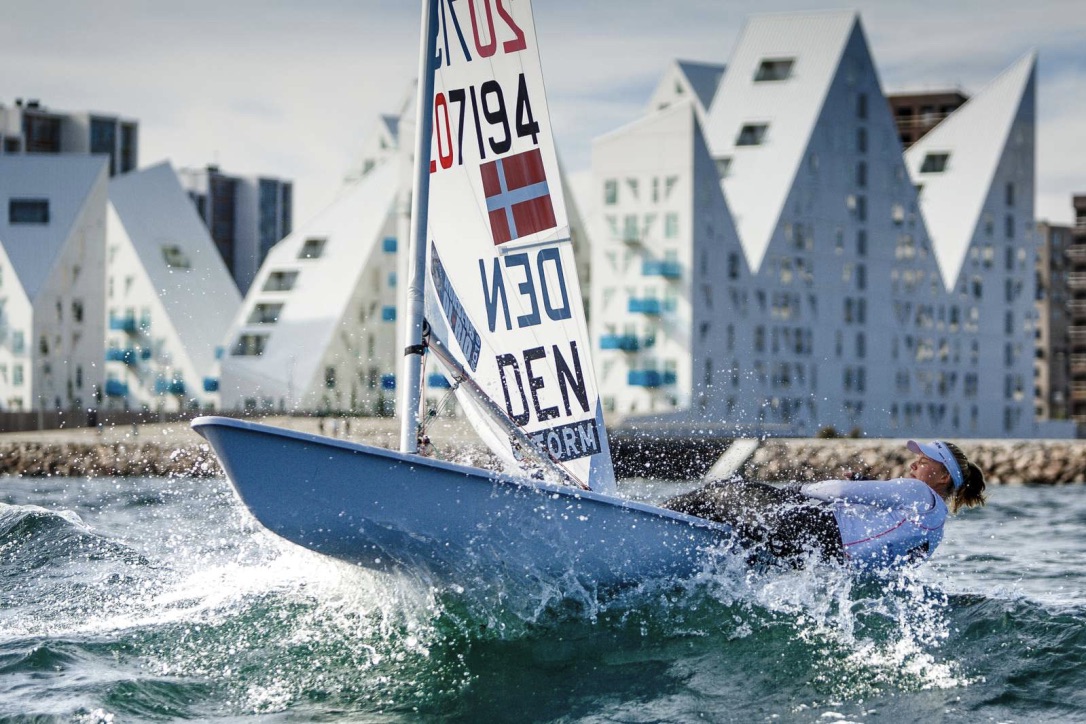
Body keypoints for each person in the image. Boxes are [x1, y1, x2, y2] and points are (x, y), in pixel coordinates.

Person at [663, 440, 986, 569]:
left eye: (924, 461)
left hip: (814, 528)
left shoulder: (918, 493)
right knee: (747, 539)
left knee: (723, 490)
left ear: (944, 477)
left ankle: (659, 516)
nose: (915, 466)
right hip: (823, 560)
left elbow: (837, 490)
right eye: (915, 460)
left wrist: (796, 490)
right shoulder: (934, 533)